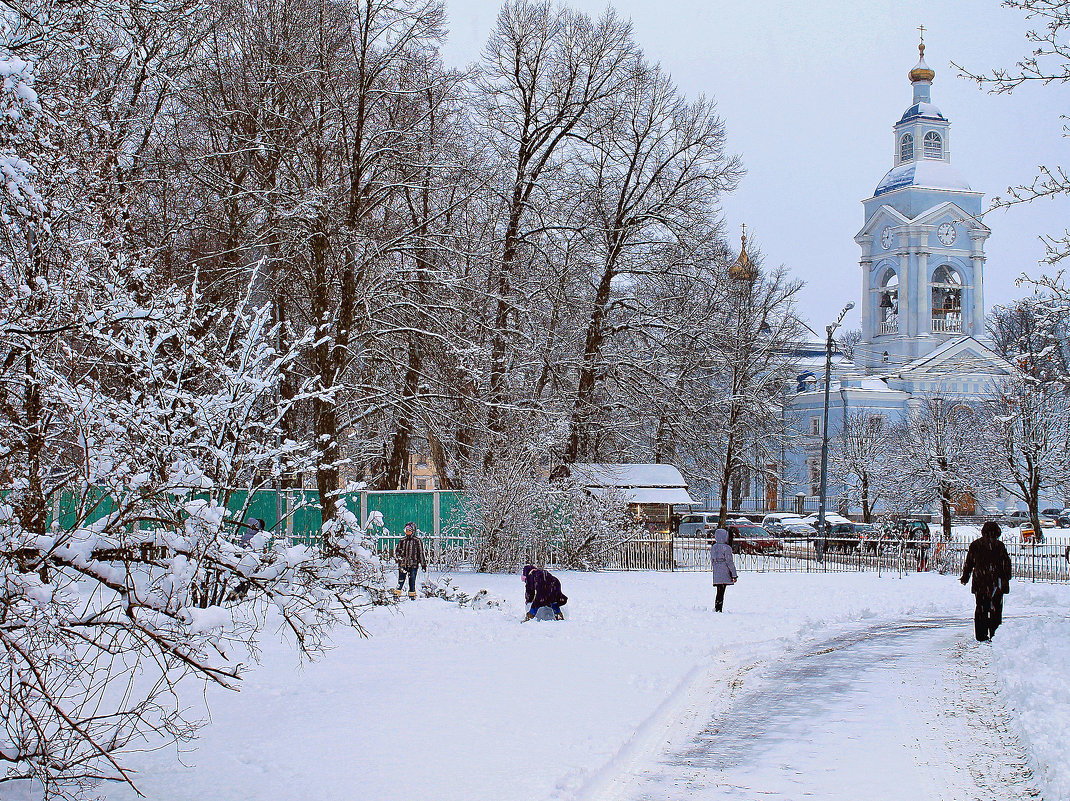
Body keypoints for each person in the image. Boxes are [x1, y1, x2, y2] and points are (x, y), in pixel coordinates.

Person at [960, 520, 1012, 642]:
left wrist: (965, 577)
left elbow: (969, 563)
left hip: (981, 583)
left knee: (981, 609)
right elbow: (1006, 564)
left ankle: (981, 634)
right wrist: (1006, 578)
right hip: (996, 583)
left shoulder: (975, 545)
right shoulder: (999, 546)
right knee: (996, 610)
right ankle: (994, 633)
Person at [393, 522, 427, 600]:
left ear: (413, 531)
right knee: (401, 580)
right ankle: (396, 595)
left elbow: (420, 553)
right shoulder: (402, 541)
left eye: (409, 530)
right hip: (403, 565)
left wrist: (423, 564)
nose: (408, 532)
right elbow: (397, 552)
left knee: (412, 581)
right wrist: (400, 557)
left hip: (413, 565)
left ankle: (412, 595)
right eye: (406, 530)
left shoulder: (417, 541)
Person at [710, 528, 738, 612]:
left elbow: (712, 560)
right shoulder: (727, 548)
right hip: (725, 571)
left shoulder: (714, 547)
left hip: (717, 571)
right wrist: (734, 574)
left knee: (719, 591)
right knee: (721, 591)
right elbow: (730, 562)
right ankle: (719, 608)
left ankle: (717, 606)